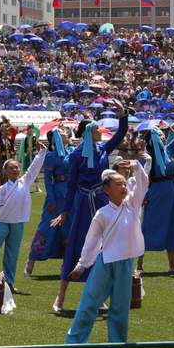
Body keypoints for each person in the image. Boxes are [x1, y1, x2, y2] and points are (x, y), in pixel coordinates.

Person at [63, 156, 150, 348]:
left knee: (120, 310)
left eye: (124, 183)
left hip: (125, 264)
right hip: (105, 262)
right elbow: (92, 241)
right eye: (118, 184)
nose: (123, 187)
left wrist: (137, 166)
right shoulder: (102, 214)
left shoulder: (132, 205)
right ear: (106, 190)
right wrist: (82, 265)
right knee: (89, 305)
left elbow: (143, 183)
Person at [50, 102, 129, 313]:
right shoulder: (76, 156)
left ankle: (98, 295)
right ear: (88, 133)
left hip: (102, 201)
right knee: (78, 246)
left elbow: (120, 134)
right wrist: (65, 212)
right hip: (84, 205)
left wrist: (123, 114)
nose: (100, 132)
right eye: (96, 129)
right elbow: (71, 186)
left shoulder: (103, 149)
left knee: (105, 247)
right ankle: (60, 297)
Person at [0, 152, 45, 289]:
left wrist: (41, 153)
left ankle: (9, 283)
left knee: (12, 256)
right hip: (1, 223)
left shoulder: (25, 182)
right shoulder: (2, 189)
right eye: (11, 168)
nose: (15, 170)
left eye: (17, 167)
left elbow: (34, 168)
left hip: (17, 224)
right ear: (5, 172)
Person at [140, 110, 174, 275]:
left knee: (172, 226)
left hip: (171, 192)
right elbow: (143, 178)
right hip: (156, 193)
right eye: (160, 135)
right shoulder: (148, 157)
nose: (164, 137)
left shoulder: (169, 150)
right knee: (148, 227)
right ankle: (139, 265)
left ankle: (172, 266)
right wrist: (144, 196)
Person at [24, 127, 71, 278]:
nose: (66, 133)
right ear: (56, 138)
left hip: (70, 195)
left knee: (69, 228)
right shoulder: (50, 156)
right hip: (56, 194)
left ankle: (66, 264)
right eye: (62, 132)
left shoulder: (72, 152)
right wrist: (52, 199)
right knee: (46, 226)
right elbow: (47, 180)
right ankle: (31, 260)